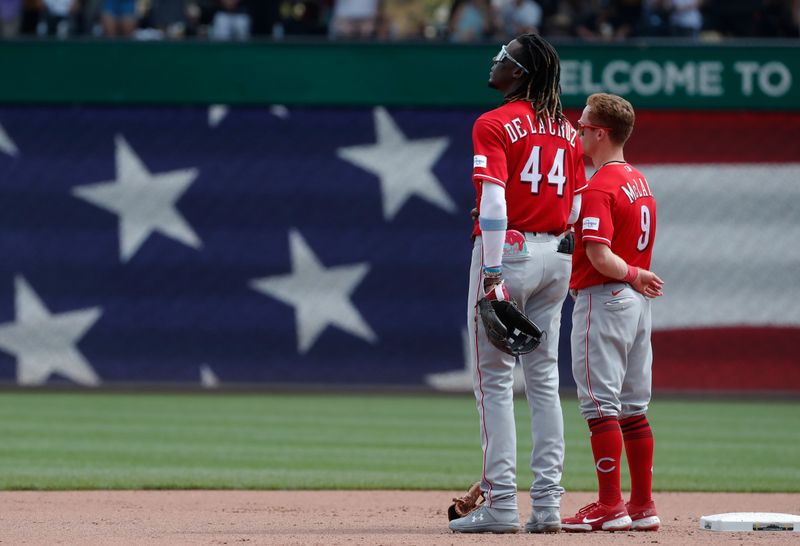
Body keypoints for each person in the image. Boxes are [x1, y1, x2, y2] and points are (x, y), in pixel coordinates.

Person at [448, 32, 586, 534]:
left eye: (504, 57)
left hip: (509, 252)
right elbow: (574, 206)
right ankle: (547, 506)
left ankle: (502, 503)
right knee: (545, 380)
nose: (495, 59)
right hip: (557, 253)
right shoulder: (568, 131)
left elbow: (494, 202)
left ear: (521, 73)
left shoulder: (494, 123)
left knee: (495, 382)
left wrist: (491, 271)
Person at [561, 93, 664, 532]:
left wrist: (634, 273)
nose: (578, 131)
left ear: (600, 133)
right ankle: (642, 506)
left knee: (600, 407)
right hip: (635, 308)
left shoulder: (600, 186)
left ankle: (610, 505)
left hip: (605, 298)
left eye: (583, 127)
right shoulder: (638, 180)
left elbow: (601, 256)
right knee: (632, 409)